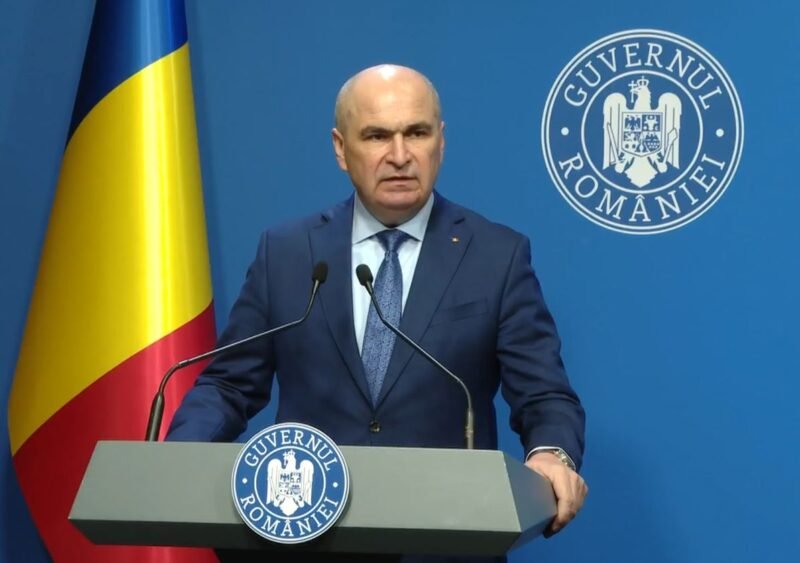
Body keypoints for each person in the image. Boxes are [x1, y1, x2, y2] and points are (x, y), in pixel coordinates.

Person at [166, 64, 587, 561]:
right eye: (377, 136)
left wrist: (551, 453)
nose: (400, 155)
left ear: (441, 142)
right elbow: (230, 385)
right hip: (306, 542)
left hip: (444, 540)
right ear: (341, 148)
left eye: (417, 133)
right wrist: (180, 458)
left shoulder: (497, 256)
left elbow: (543, 393)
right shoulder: (287, 252)